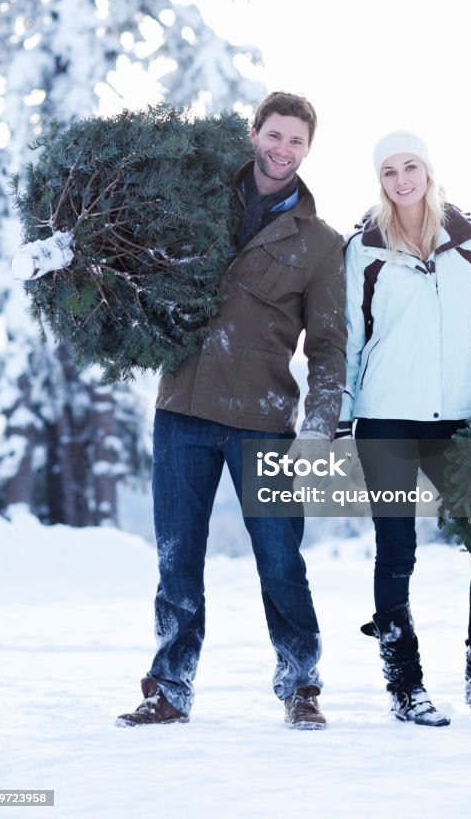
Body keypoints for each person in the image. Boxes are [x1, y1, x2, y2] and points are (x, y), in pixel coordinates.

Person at [117, 92, 346, 731]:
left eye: (295, 142)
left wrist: (321, 425)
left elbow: (329, 346)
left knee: (281, 560)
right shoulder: (195, 202)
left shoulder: (322, 245)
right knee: (177, 558)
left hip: (266, 422)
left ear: (307, 150)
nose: (282, 150)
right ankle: (169, 688)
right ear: (253, 133)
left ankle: (301, 684)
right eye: (274, 135)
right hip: (183, 409)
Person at [337, 130, 471, 726]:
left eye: (411, 166)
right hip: (387, 419)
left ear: (428, 170)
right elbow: (350, 337)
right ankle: (406, 689)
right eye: (390, 171)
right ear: (380, 181)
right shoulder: (365, 247)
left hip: (463, 418)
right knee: (396, 550)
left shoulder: (470, 239)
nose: (402, 180)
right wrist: (343, 417)